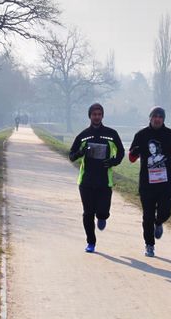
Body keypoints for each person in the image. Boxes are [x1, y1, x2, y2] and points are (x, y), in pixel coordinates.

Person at [129, 106, 171, 257]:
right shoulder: (141, 135)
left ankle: (159, 222)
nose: (157, 119)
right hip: (147, 184)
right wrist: (136, 151)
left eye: (160, 117)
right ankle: (149, 245)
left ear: (163, 119)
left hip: (165, 182)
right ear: (150, 118)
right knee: (147, 216)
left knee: (165, 212)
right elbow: (131, 158)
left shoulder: (170, 134)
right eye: (154, 116)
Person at [69, 103, 125, 253]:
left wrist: (113, 161)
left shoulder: (111, 134)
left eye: (99, 114)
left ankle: (102, 217)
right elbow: (71, 156)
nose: (97, 117)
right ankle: (91, 242)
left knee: (102, 212)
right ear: (90, 116)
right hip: (86, 181)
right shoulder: (83, 135)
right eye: (94, 114)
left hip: (104, 181)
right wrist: (81, 153)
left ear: (102, 116)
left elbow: (121, 152)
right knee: (88, 213)